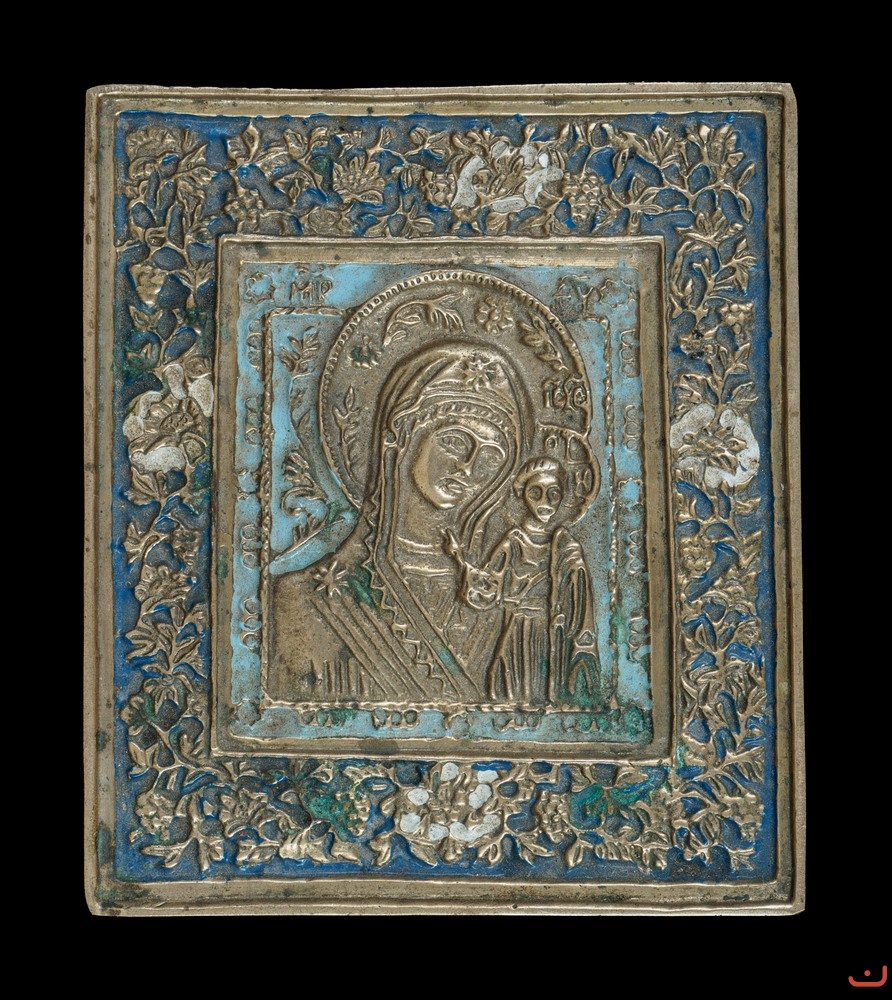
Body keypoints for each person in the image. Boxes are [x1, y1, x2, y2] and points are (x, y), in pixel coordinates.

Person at [269, 342, 531, 705]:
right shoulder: (304, 599)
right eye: (455, 442)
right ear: (402, 437)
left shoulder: (509, 607)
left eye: (489, 458)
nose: (468, 469)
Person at [444, 456, 601, 709]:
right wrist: (461, 561)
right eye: (535, 493)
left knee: (545, 683)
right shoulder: (514, 541)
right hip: (516, 626)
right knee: (509, 684)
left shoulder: (566, 546)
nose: (545, 503)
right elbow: (490, 585)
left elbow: (579, 598)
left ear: (563, 497)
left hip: (552, 631)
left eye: (553, 494)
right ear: (523, 495)